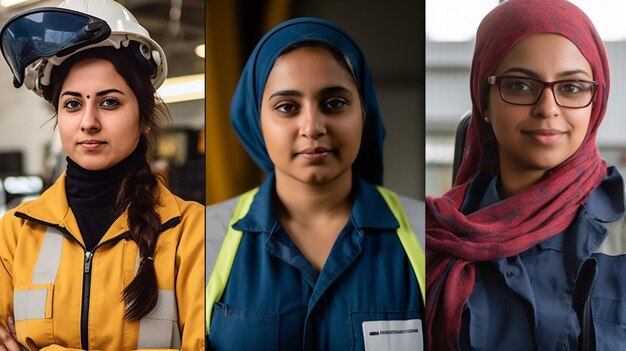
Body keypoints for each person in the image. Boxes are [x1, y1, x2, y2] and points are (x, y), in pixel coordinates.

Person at [205, 17, 424, 350]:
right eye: (287, 107)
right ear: (257, 120)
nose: (312, 126)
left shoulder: (426, 235)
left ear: (364, 112)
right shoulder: (206, 237)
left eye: (334, 103)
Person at [0, 0, 204, 350]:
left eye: (109, 102)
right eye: (73, 103)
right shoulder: (15, 234)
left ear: (143, 118)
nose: (88, 122)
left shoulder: (191, 232)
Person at [425, 0, 623, 350]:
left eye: (572, 88)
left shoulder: (619, 231)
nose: (547, 109)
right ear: (484, 102)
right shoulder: (435, 234)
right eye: (519, 85)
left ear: (596, 102)